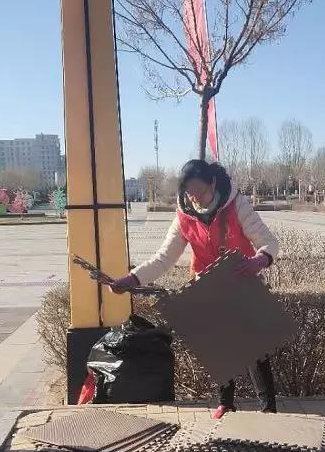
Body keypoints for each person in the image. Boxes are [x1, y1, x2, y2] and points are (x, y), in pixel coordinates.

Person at [108, 159, 280, 418]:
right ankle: (225, 403)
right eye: (190, 193)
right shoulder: (184, 216)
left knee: (254, 349)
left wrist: (259, 260)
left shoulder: (236, 205)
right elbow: (164, 258)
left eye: (200, 191)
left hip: (241, 282)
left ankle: (268, 409)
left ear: (213, 183)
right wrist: (132, 279)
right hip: (206, 287)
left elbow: (269, 242)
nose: (195, 198)